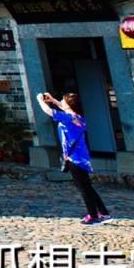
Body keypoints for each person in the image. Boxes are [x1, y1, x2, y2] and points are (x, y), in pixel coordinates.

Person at [37, 91, 110, 223]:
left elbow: (48, 111)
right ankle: (103, 212)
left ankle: (92, 215)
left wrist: (40, 100)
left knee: (83, 188)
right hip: (81, 156)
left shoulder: (67, 117)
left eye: (63, 101)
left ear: (69, 105)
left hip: (74, 157)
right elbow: (63, 108)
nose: (61, 103)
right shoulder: (78, 117)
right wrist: (53, 100)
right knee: (87, 186)